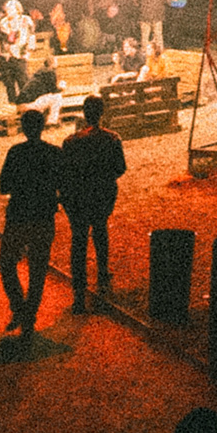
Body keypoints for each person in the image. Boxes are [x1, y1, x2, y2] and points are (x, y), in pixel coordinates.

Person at [0, 107, 63, 334]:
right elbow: (63, 184)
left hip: (18, 215)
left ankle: (18, 306)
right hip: (43, 216)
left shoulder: (16, 153)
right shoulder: (54, 153)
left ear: (24, 128)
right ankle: (29, 314)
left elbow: (4, 186)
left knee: (7, 263)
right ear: (42, 127)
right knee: (38, 268)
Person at [62, 99, 126, 306]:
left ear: (84, 113)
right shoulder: (112, 138)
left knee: (78, 239)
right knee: (100, 231)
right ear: (102, 113)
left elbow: (64, 172)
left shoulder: (70, 141)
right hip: (101, 194)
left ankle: (79, 289)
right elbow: (120, 168)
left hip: (78, 196)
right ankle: (102, 273)